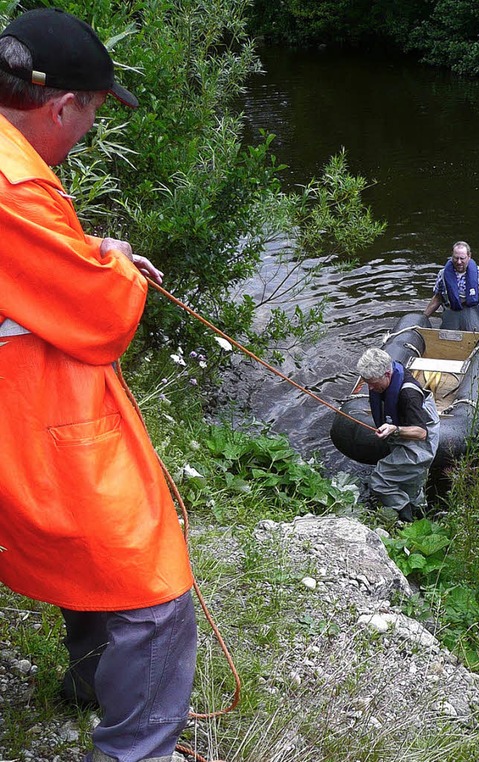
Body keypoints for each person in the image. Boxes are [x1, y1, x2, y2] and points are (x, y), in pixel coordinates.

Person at [0, 9, 196, 762]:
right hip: (28, 419)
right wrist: (113, 270)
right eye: (92, 112)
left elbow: (31, 267)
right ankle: (134, 751)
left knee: (87, 554)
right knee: (152, 589)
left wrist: (90, 248)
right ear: (61, 106)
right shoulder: (16, 185)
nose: (87, 130)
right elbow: (100, 318)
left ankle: (88, 684)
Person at [356, 348, 440, 522]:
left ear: (387, 374)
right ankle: (420, 515)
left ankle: (404, 516)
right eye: (367, 383)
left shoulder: (409, 395)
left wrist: (396, 430)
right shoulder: (384, 381)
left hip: (420, 439)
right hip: (403, 428)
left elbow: (422, 433)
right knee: (412, 484)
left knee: (380, 481)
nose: (370, 388)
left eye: (372, 383)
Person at [423, 240, 479, 331]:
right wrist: (424, 317)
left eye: (462, 258)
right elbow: (437, 298)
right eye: (456, 258)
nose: (459, 262)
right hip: (451, 320)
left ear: (469, 256)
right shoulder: (442, 274)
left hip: (474, 321)